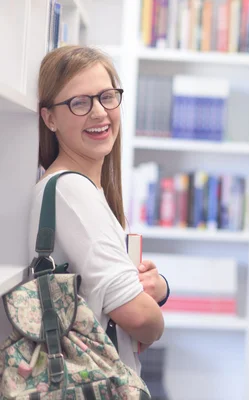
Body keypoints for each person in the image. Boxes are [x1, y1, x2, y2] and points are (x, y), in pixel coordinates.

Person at [29, 45, 167, 375]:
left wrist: (157, 288)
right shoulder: (72, 191)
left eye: (107, 96)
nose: (99, 113)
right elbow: (139, 317)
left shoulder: (89, 190)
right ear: (50, 118)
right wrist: (154, 321)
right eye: (79, 102)